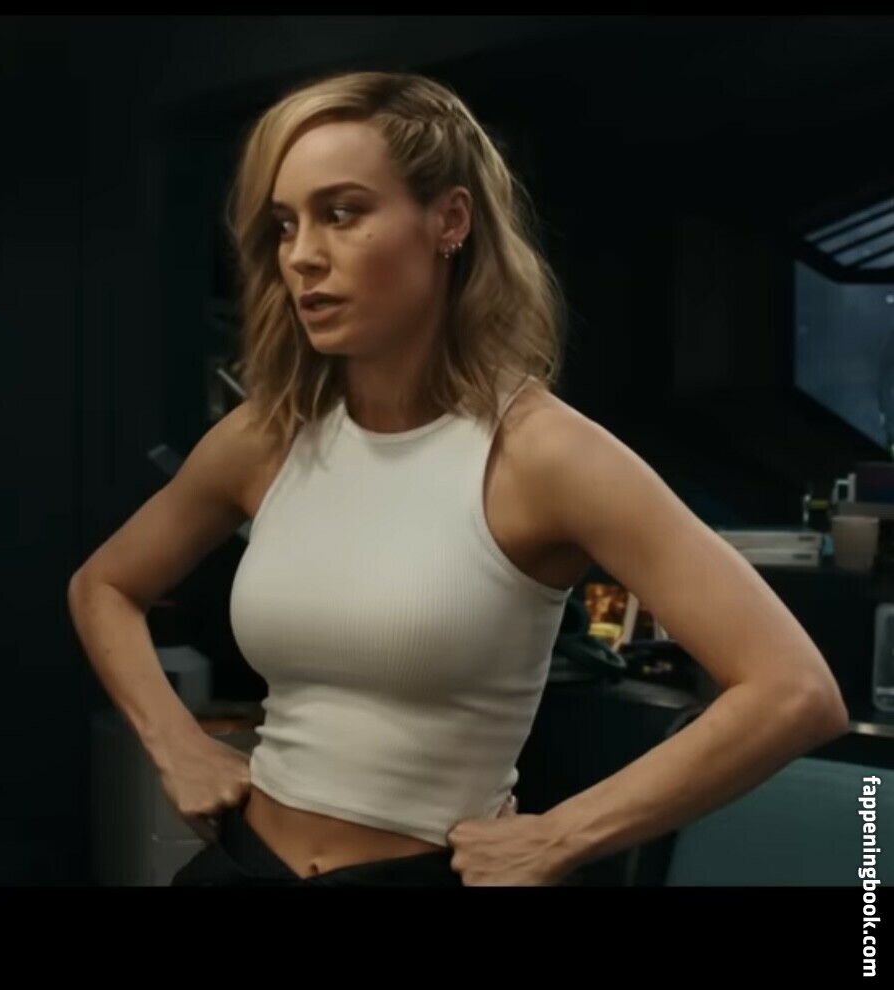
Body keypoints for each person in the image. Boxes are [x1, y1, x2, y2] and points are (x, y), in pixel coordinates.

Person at [67, 70, 849, 887]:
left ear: (449, 220)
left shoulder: (543, 455)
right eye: (286, 224)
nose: (301, 255)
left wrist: (560, 836)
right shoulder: (267, 435)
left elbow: (792, 689)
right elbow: (103, 586)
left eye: (342, 213)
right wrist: (176, 745)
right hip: (242, 866)